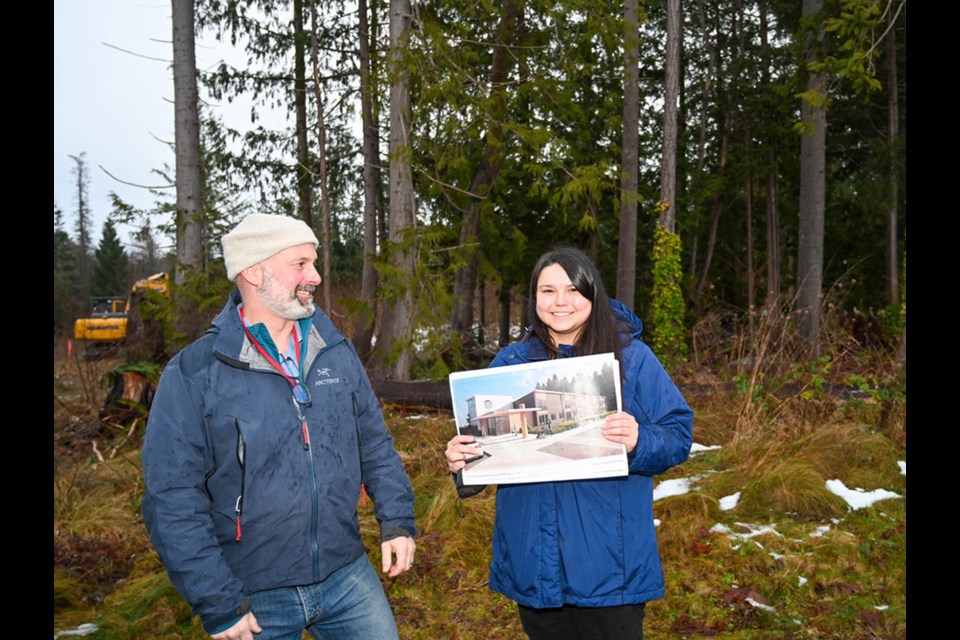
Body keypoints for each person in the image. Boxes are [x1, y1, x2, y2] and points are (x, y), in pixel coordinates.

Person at [142, 213, 417, 640]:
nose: (317, 276)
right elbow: (172, 498)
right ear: (254, 271)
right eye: (301, 264)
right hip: (252, 591)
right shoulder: (196, 372)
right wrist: (219, 603)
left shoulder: (336, 351)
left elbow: (374, 444)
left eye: (314, 263)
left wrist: (397, 520)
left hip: (345, 573)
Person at [445, 246, 693, 640]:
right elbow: (487, 454)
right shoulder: (510, 363)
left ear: (592, 293)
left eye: (572, 289)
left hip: (611, 568)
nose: (561, 301)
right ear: (534, 298)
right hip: (535, 566)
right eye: (548, 291)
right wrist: (464, 463)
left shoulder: (633, 359)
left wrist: (640, 440)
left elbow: (678, 434)